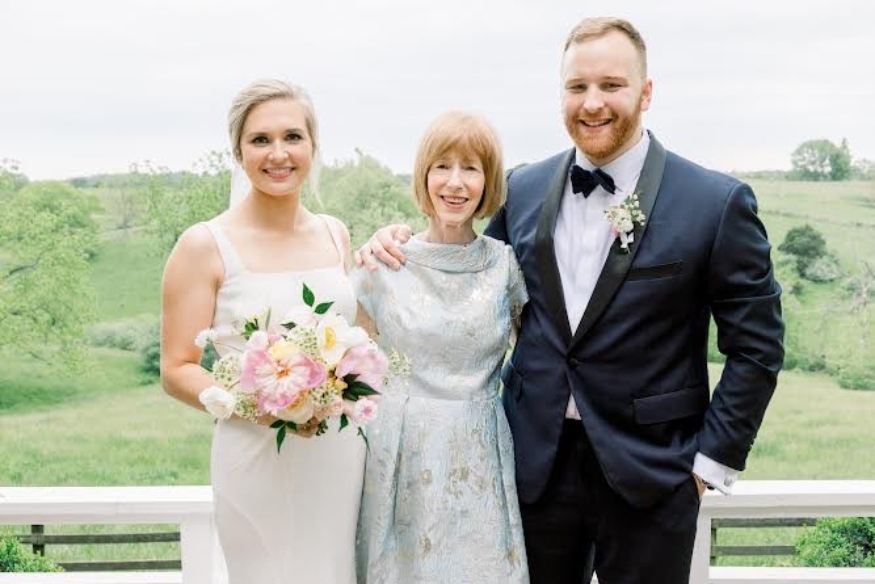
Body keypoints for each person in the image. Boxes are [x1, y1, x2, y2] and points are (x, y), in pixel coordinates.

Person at [357, 17, 785, 584]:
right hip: (531, 468)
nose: (592, 103)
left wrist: (708, 464)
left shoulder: (715, 202)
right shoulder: (523, 189)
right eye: (576, 87)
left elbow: (756, 348)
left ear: (646, 92)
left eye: (611, 85)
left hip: (653, 474)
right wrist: (394, 242)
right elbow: (463, 269)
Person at [160, 79, 365, 584]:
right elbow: (176, 369)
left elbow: (353, 340)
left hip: (337, 453)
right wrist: (263, 404)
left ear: (313, 146)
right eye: (260, 140)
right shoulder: (204, 245)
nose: (279, 153)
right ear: (238, 151)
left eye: (293, 137)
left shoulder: (334, 233)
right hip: (253, 455)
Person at [353, 111, 530, 583]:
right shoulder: (384, 263)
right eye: (442, 166)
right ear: (423, 175)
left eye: (471, 168)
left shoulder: (505, 266)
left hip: (480, 450)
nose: (455, 182)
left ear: (488, 181)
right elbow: (345, 368)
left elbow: (540, 355)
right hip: (401, 451)